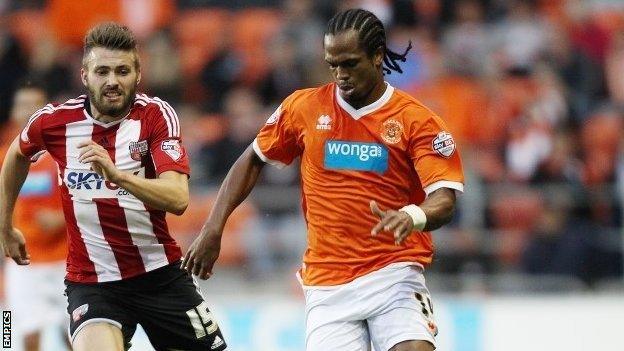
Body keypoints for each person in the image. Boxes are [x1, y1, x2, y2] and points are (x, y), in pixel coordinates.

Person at [184, 8, 464, 351]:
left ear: (377, 57)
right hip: (328, 284)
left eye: (350, 63)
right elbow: (252, 159)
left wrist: (412, 215)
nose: (340, 74)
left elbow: (445, 199)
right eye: (333, 64)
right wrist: (214, 226)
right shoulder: (303, 108)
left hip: (394, 273)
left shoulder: (416, 120)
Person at [0, 23, 227, 351]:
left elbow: (178, 198)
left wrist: (118, 175)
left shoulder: (156, 117)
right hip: (93, 282)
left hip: (159, 275)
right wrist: (6, 226)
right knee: (26, 337)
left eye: (122, 71)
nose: (112, 81)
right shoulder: (53, 123)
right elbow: (17, 154)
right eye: (102, 71)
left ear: (137, 73)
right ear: (84, 75)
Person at [1, 80, 69, 351]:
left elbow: (90, 199)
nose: (28, 110)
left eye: (35, 105)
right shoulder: (5, 158)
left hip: (66, 259)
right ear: (14, 113)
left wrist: (60, 219)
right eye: (22, 105)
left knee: (77, 335)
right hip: (24, 264)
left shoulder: (66, 156)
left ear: (47, 112)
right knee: (23, 335)